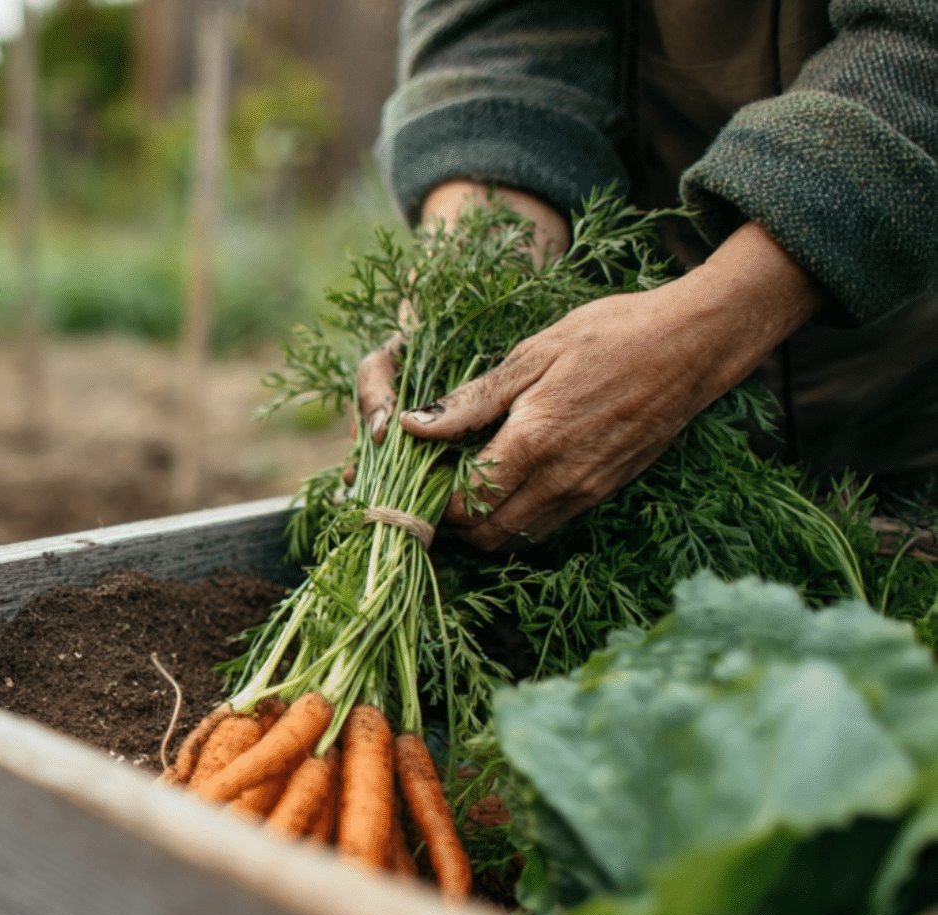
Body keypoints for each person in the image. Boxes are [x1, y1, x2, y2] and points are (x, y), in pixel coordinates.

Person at [359, 0, 938, 550]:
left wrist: (707, 325)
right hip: (637, 335)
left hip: (911, 364)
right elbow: (501, 35)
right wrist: (477, 269)